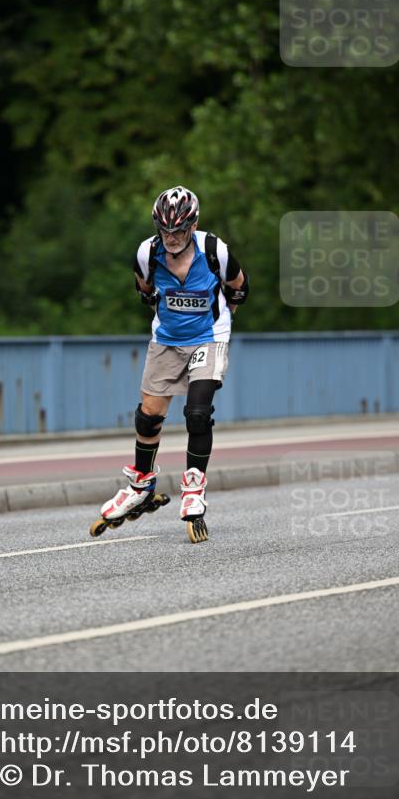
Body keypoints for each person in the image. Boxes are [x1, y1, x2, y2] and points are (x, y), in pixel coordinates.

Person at [90, 185, 248, 543]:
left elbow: (240, 288)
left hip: (209, 336)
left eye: (178, 231)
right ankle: (141, 486)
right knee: (148, 417)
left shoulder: (215, 250)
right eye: (165, 230)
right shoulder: (147, 253)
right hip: (167, 339)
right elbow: (145, 292)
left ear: (193, 226)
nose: (171, 237)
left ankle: (194, 488)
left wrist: (223, 320)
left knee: (197, 412)